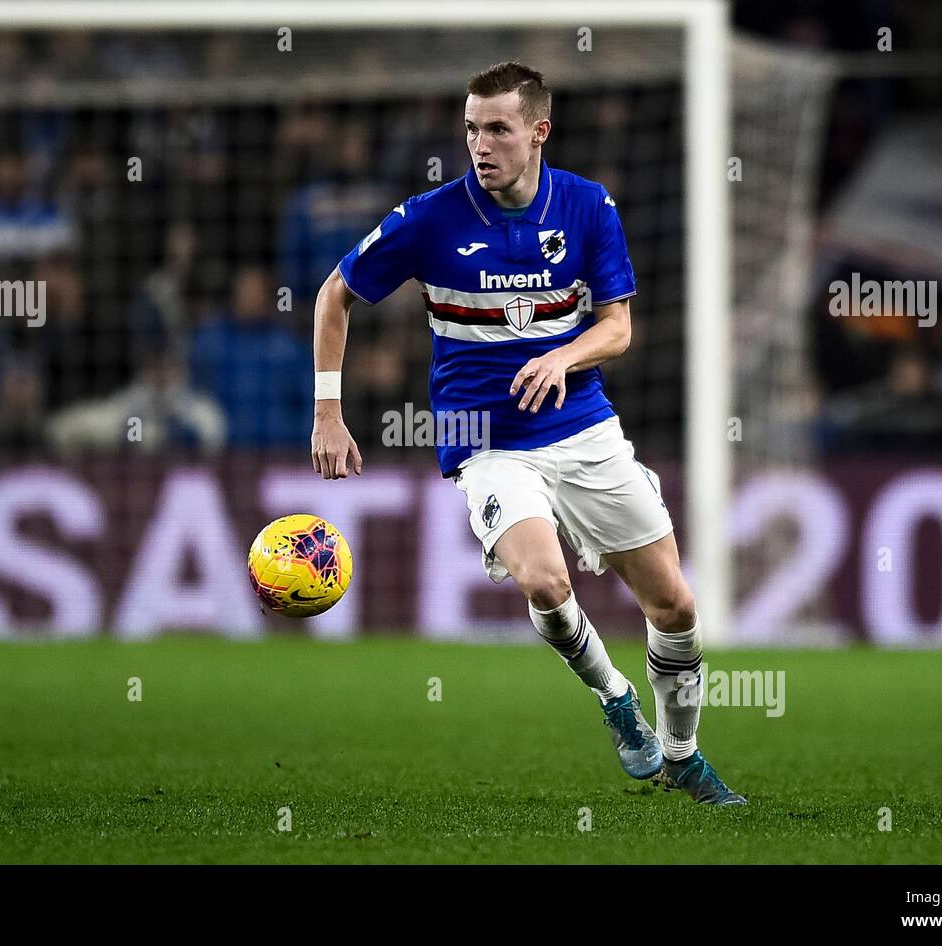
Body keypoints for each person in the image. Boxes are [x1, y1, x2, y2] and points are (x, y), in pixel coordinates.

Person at [310, 62, 745, 805]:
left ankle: (684, 754)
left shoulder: (586, 206)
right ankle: (615, 699)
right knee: (543, 578)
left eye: (499, 129)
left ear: (539, 131)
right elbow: (335, 294)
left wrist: (563, 354)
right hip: (485, 440)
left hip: (582, 426)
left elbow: (618, 326)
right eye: (473, 128)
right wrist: (327, 410)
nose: (482, 144)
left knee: (675, 606)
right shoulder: (429, 218)